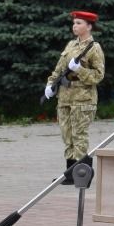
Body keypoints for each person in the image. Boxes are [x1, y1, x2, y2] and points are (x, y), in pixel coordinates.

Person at [44, 10, 104, 183]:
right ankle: (70, 174)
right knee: (67, 136)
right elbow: (59, 68)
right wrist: (50, 84)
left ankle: (83, 174)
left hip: (83, 99)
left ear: (89, 26)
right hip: (64, 97)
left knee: (79, 136)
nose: (74, 26)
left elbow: (98, 76)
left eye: (79, 23)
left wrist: (80, 69)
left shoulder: (94, 48)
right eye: (74, 23)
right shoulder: (71, 45)